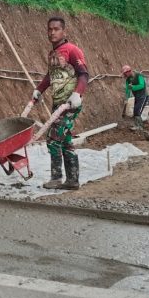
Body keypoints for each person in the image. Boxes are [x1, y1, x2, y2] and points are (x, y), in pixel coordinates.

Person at [25, 17, 89, 190]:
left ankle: (56, 178)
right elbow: (50, 76)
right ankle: (72, 180)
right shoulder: (52, 54)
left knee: (53, 139)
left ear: (64, 31)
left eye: (56, 29)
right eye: (50, 29)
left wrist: (77, 94)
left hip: (70, 104)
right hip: (58, 103)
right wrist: (39, 90)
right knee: (65, 141)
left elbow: (84, 74)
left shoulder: (72, 50)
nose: (52, 32)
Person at [122, 64, 149, 131]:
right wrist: (126, 98)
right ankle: (137, 126)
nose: (125, 75)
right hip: (137, 97)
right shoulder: (128, 79)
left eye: (125, 73)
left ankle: (140, 127)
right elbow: (128, 89)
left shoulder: (138, 75)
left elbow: (142, 85)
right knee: (135, 111)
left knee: (137, 111)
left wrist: (133, 87)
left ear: (128, 71)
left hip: (143, 96)